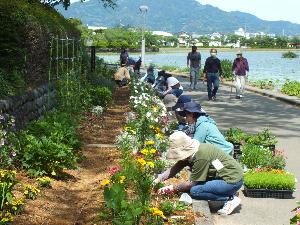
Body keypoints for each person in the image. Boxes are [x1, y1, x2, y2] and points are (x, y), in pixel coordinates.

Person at [155, 131, 243, 215]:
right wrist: (159, 178)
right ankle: (228, 192)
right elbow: (177, 167)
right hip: (225, 177)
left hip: (231, 180)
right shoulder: (193, 152)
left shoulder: (200, 156)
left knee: (195, 191)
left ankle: (230, 198)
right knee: (196, 186)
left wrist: (172, 188)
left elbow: (190, 185)